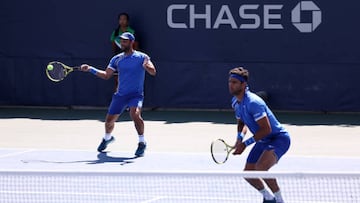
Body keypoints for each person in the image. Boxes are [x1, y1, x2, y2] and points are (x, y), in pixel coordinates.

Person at [81, 32, 156, 157]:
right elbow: (106, 75)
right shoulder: (116, 59)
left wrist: (147, 67)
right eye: (121, 41)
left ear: (131, 42)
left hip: (135, 95)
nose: (122, 43)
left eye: (125, 41)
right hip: (120, 96)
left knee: (135, 114)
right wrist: (90, 69)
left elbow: (153, 72)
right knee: (109, 122)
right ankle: (107, 138)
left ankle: (142, 142)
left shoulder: (142, 57)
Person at [228, 67, 291, 203]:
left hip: (278, 138)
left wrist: (245, 144)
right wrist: (239, 139)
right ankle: (269, 198)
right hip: (263, 139)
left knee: (261, 168)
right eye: (230, 82)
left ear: (243, 84)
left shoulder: (253, 103)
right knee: (249, 174)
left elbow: (266, 129)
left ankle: (280, 200)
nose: (230, 85)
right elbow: (241, 121)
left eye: (234, 82)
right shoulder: (235, 102)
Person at [110, 12, 139, 92]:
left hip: (130, 60)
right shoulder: (115, 33)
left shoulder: (132, 32)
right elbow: (114, 47)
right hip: (119, 61)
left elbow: (136, 46)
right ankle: (118, 99)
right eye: (120, 19)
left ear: (127, 21)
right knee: (117, 80)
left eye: (124, 19)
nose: (122, 21)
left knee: (129, 81)